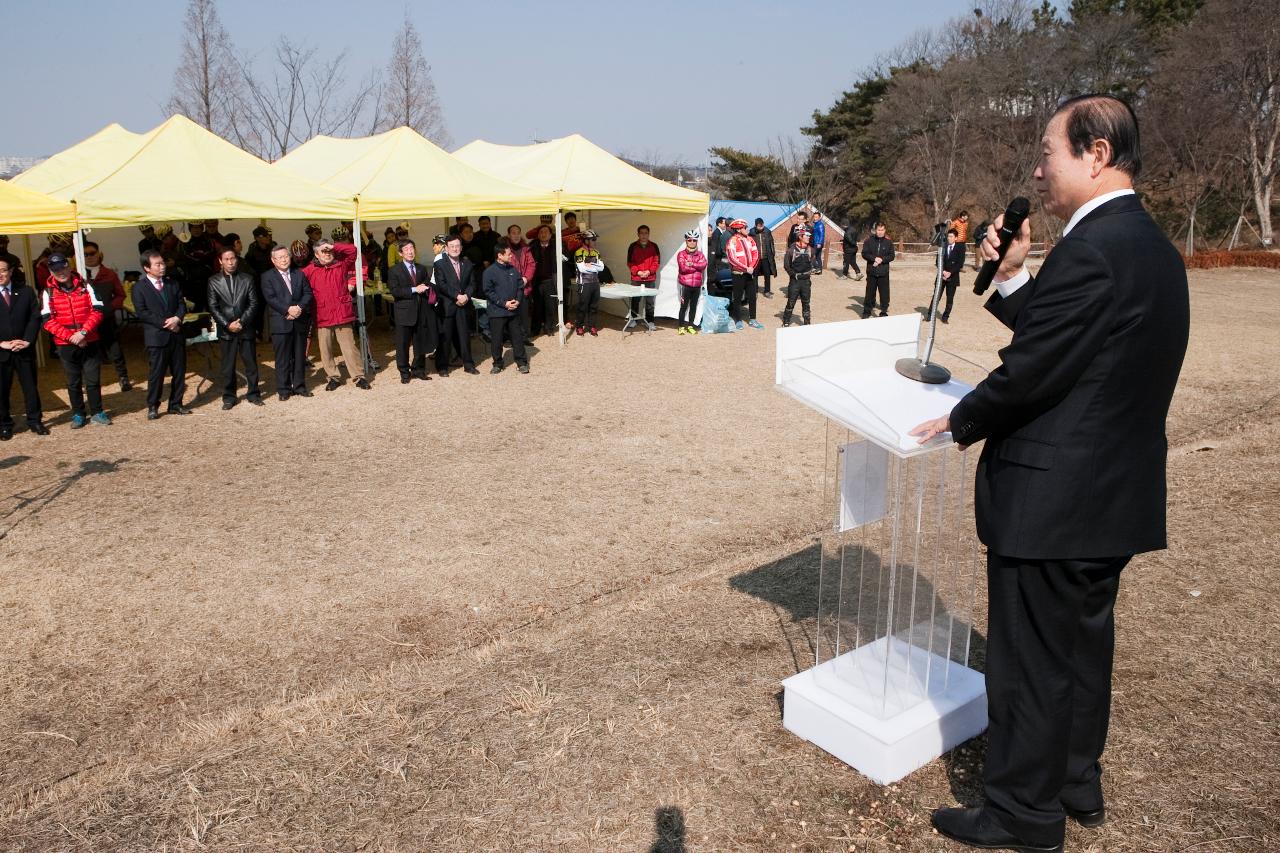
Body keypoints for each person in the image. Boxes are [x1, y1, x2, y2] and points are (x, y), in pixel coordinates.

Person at [912, 94, 1190, 853]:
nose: (1038, 168)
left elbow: (1035, 369)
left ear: (1097, 154)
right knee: (1078, 650)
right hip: (1109, 495)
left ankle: (1021, 813)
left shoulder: (1095, 247)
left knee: (1031, 660)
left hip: (1055, 496)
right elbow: (1074, 343)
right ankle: (1073, 778)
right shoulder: (1148, 246)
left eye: (1049, 152)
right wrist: (1010, 278)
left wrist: (962, 418)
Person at [41, 253, 110, 428]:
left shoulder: (86, 285)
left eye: (63, 267)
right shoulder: (47, 291)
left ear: (69, 266)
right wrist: (71, 337)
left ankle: (97, 412)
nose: (60, 272)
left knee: (93, 379)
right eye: (55, 269)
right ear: (51, 270)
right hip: (66, 344)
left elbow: (98, 310)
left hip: (89, 340)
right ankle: (78, 414)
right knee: (73, 382)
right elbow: (47, 321)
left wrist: (84, 332)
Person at [302, 238, 370, 392]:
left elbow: (353, 251)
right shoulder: (310, 270)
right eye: (323, 251)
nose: (327, 254)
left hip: (342, 313)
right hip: (322, 314)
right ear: (316, 255)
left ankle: (359, 376)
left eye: (329, 251)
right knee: (325, 349)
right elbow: (296, 280)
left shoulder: (341, 263)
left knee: (349, 347)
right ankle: (333, 377)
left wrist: (333, 246)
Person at [132, 250, 190, 420]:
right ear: (146, 268)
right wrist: (166, 322)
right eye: (157, 264)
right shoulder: (139, 288)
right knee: (157, 373)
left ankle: (176, 403)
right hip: (157, 337)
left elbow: (181, 304)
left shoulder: (172, 283)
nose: (162, 267)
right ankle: (153, 405)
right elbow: (142, 312)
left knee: (179, 371)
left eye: (163, 263)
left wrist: (178, 318)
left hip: (176, 334)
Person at [207, 247, 263, 409]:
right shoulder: (214, 281)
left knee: (251, 363)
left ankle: (253, 393)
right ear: (220, 261)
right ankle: (229, 396)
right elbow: (213, 306)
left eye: (233, 258)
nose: (231, 262)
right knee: (227, 365)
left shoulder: (247, 279)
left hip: (245, 328)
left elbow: (254, 303)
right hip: (226, 330)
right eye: (226, 259)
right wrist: (227, 324)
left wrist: (242, 322)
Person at [0, 258, 47, 438]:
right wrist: (1, 344)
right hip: (1, 351)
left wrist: (27, 340)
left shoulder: (26, 292)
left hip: (24, 349)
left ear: (10, 272)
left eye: (3, 270)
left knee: (30, 387)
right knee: (2, 389)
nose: (0, 274)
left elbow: (34, 318)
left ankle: (35, 421)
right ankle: (4, 424)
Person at [261, 245, 314, 400]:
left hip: (299, 320)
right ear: (273, 260)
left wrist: (299, 308)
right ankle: (283, 389)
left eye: (286, 256)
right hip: (280, 321)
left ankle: (299, 386)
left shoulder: (299, 273)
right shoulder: (267, 276)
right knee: (282, 358)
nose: (284, 259)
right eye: (280, 257)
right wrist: (287, 310)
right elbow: (270, 298)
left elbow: (308, 293)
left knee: (299, 356)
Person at [82, 241, 130, 391]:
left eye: (92, 253)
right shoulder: (78, 275)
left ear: (98, 254)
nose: (89, 257)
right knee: (88, 352)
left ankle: (123, 378)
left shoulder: (109, 274)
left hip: (106, 319)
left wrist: (109, 308)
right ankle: (88, 381)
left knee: (115, 349)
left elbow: (120, 295)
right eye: (85, 254)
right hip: (87, 321)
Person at [387, 238, 436, 384]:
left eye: (412, 248)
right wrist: (415, 289)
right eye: (407, 249)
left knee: (420, 342)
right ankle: (404, 371)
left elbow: (427, 283)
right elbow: (395, 291)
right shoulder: (394, 270)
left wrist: (426, 288)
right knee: (403, 343)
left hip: (421, 310)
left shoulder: (421, 268)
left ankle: (419, 369)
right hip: (404, 312)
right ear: (400, 253)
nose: (410, 251)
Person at [432, 234, 479, 376]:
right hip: (447, 305)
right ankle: (442, 366)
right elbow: (441, 284)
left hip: (464, 304)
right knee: (445, 337)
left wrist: (466, 295)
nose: (455, 249)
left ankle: (468, 364)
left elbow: (472, 283)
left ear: (461, 248)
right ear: (446, 248)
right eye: (451, 246)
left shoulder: (467, 263)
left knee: (464, 335)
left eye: (457, 246)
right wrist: (456, 296)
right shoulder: (439, 264)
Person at [482, 238, 530, 374]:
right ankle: (497, 363)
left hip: (513, 311)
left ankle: (521, 362)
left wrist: (518, 301)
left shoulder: (514, 270)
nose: (511, 256)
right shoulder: (489, 272)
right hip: (497, 312)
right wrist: (504, 303)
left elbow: (520, 287)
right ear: (500, 255)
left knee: (517, 338)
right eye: (509, 254)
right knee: (496, 339)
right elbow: (488, 291)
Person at [724, 219, 762, 330]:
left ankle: (753, 319)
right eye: (745, 227)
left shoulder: (750, 239)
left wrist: (751, 267)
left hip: (750, 273)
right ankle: (738, 320)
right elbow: (732, 258)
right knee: (737, 297)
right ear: (739, 229)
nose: (747, 229)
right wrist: (745, 268)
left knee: (752, 297)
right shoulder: (732, 241)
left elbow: (756, 254)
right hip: (738, 274)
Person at [626, 225, 660, 331]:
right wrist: (638, 272)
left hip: (650, 278)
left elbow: (657, 262)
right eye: (641, 233)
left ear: (649, 234)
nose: (644, 235)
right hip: (637, 279)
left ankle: (650, 321)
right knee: (635, 300)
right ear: (638, 234)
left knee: (650, 302)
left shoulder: (654, 246)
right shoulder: (632, 246)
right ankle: (634, 320)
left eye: (646, 233)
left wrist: (649, 271)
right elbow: (630, 262)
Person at [506, 224, 538, 336]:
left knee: (524, 313)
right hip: (509, 288)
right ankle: (511, 338)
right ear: (509, 235)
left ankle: (524, 337)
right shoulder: (505, 250)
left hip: (524, 286)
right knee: (511, 314)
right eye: (513, 233)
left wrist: (526, 278)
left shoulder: (526, 248)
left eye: (518, 232)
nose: (516, 235)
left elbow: (531, 264)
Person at [530, 224, 560, 335]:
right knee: (537, 306)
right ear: (538, 235)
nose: (543, 234)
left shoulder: (556, 245)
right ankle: (535, 329)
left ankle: (549, 328)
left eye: (545, 232)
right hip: (536, 281)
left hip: (550, 280)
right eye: (541, 232)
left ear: (550, 234)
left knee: (550, 305)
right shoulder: (533, 246)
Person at [782, 230, 817, 327]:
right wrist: (793, 275)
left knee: (806, 302)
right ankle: (786, 320)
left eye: (809, 236)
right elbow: (786, 265)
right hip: (795, 281)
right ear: (800, 237)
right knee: (791, 302)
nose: (809, 237)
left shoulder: (811, 250)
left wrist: (812, 269)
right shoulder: (791, 250)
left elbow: (813, 263)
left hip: (806, 281)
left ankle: (807, 322)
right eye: (806, 236)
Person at [675, 229, 707, 335]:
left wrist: (691, 264)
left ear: (697, 241)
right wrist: (696, 266)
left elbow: (703, 265)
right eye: (690, 240)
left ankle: (690, 326)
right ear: (686, 241)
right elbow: (683, 269)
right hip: (685, 285)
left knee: (693, 307)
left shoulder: (700, 254)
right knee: (683, 307)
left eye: (694, 240)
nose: (692, 242)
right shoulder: (681, 254)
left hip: (697, 286)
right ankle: (680, 326)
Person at [932, 227, 966, 323]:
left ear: (956, 238)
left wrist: (950, 272)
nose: (949, 238)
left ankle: (945, 317)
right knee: (936, 296)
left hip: (953, 277)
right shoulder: (942, 246)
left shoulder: (960, 248)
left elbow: (960, 263)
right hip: (941, 276)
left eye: (951, 236)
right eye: (948, 236)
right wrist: (942, 271)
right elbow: (937, 260)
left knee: (950, 298)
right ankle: (930, 315)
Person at [860, 223, 894, 318]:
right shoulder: (869, 241)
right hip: (872, 271)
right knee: (869, 293)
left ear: (885, 230)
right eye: (879, 230)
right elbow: (864, 253)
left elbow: (892, 256)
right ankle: (867, 311)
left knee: (884, 294)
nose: (880, 232)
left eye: (882, 230)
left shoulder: (888, 242)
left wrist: (882, 259)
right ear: (876, 230)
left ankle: (883, 311)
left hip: (883, 272)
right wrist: (874, 258)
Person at [573, 231, 604, 336]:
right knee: (583, 306)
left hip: (595, 283)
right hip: (584, 283)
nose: (595, 241)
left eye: (595, 239)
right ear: (586, 240)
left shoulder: (597, 252)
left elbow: (602, 268)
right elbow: (582, 269)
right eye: (593, 239)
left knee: (594, 306)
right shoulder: (579, 252)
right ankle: (579, 326)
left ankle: (592, 326)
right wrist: (595, 267)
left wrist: (590, 265)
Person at [751, 218, 777, 298]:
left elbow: (771, 244)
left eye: (762, 225)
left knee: (767, 274)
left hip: (766, 257)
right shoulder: (751, 233)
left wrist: (773, 254)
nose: (761, 227)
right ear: (755, 226)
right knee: (754, 275)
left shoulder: (767, 232)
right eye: (759, 226)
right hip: (756, 258)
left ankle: (767, 291)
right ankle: (754, 291)